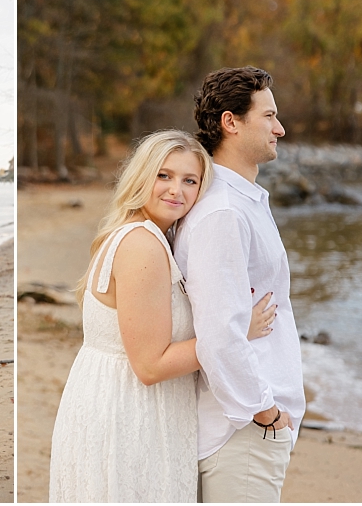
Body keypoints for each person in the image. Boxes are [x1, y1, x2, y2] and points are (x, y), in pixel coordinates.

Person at [48, 130, 276, 502]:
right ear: (142, 177)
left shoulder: (138, 235)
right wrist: (235, 333)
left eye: (190, 181)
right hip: (130, 414)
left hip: (111, 402)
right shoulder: (143, 245)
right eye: (164, 176)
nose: (176, 190)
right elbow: (150, 366)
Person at [174, 66, 306, 502]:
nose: (279, 128)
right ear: (231, 122)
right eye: (268, 116)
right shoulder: (223, 212)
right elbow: (220, 337)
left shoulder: (241, 202)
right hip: (242, 434)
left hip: (249, 430)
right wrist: (265, 413)